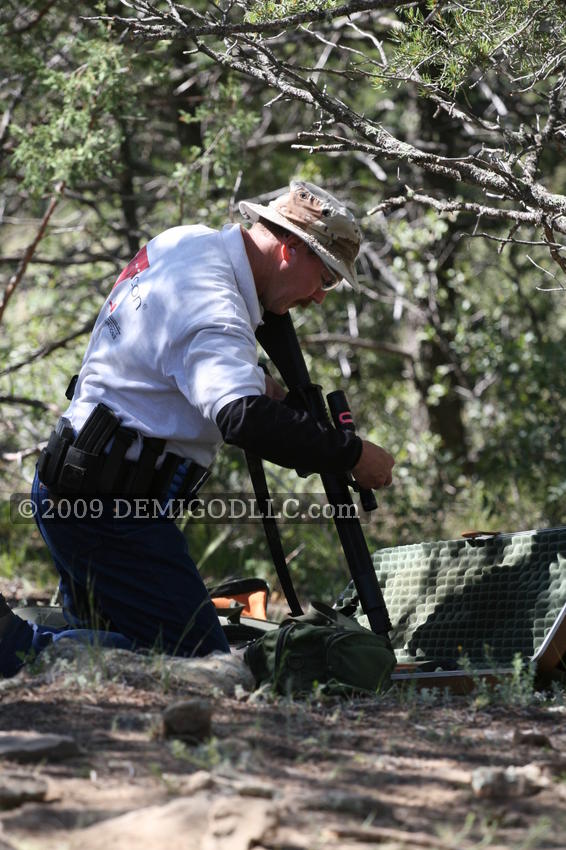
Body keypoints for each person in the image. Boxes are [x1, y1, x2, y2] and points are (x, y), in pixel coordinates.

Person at [0, 180, 395, 676]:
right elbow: (241, 417)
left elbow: (168, 354)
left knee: (115, 648)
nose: (319, 296)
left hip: (81, 484)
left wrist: (259, 381)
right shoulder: (216, 306)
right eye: (325, 277)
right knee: (202, 670)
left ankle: (27, 647)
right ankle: (19, 647)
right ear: (291, 246)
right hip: (112, 511)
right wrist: (353, 454)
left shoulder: (187, 242)